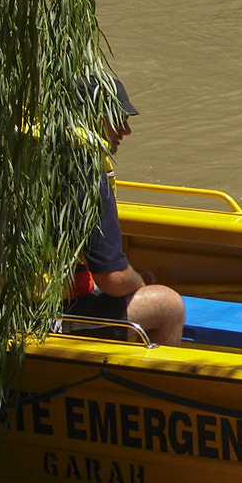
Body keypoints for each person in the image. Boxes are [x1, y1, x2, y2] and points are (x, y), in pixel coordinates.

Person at [63, 77, 185, 346]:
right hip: (37, 319)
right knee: (167, 305)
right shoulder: (84, 170)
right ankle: (140, 387)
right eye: (117, 118)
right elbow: (115, 279)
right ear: (90, 117)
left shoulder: (29, 152)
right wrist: (140, 285)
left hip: (4, 302)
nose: (126, 130)